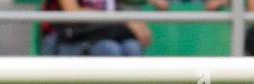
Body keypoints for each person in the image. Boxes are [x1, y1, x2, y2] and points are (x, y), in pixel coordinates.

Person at [41, 0, 170, 57]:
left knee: (132, 47)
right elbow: (73, 12)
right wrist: (125, 21)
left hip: (105, 35)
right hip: (67, 39)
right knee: (109, 49)